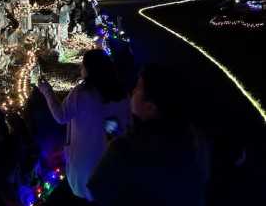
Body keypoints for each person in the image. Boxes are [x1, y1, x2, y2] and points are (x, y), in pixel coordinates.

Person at [87, 64, 208, 206]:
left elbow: (97, 189)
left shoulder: (123, 149)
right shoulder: (195, 139)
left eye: (138, 88)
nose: (132, 91)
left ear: (151, 107)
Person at [38, 49, 130, 201]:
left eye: (83, 66)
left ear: (90, 69)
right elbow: (121, 127)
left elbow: (61, 116)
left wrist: (47, 91)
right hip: (110, 166)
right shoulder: (122, 95)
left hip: (84, 167)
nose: (81, 69)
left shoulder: (82, 93)